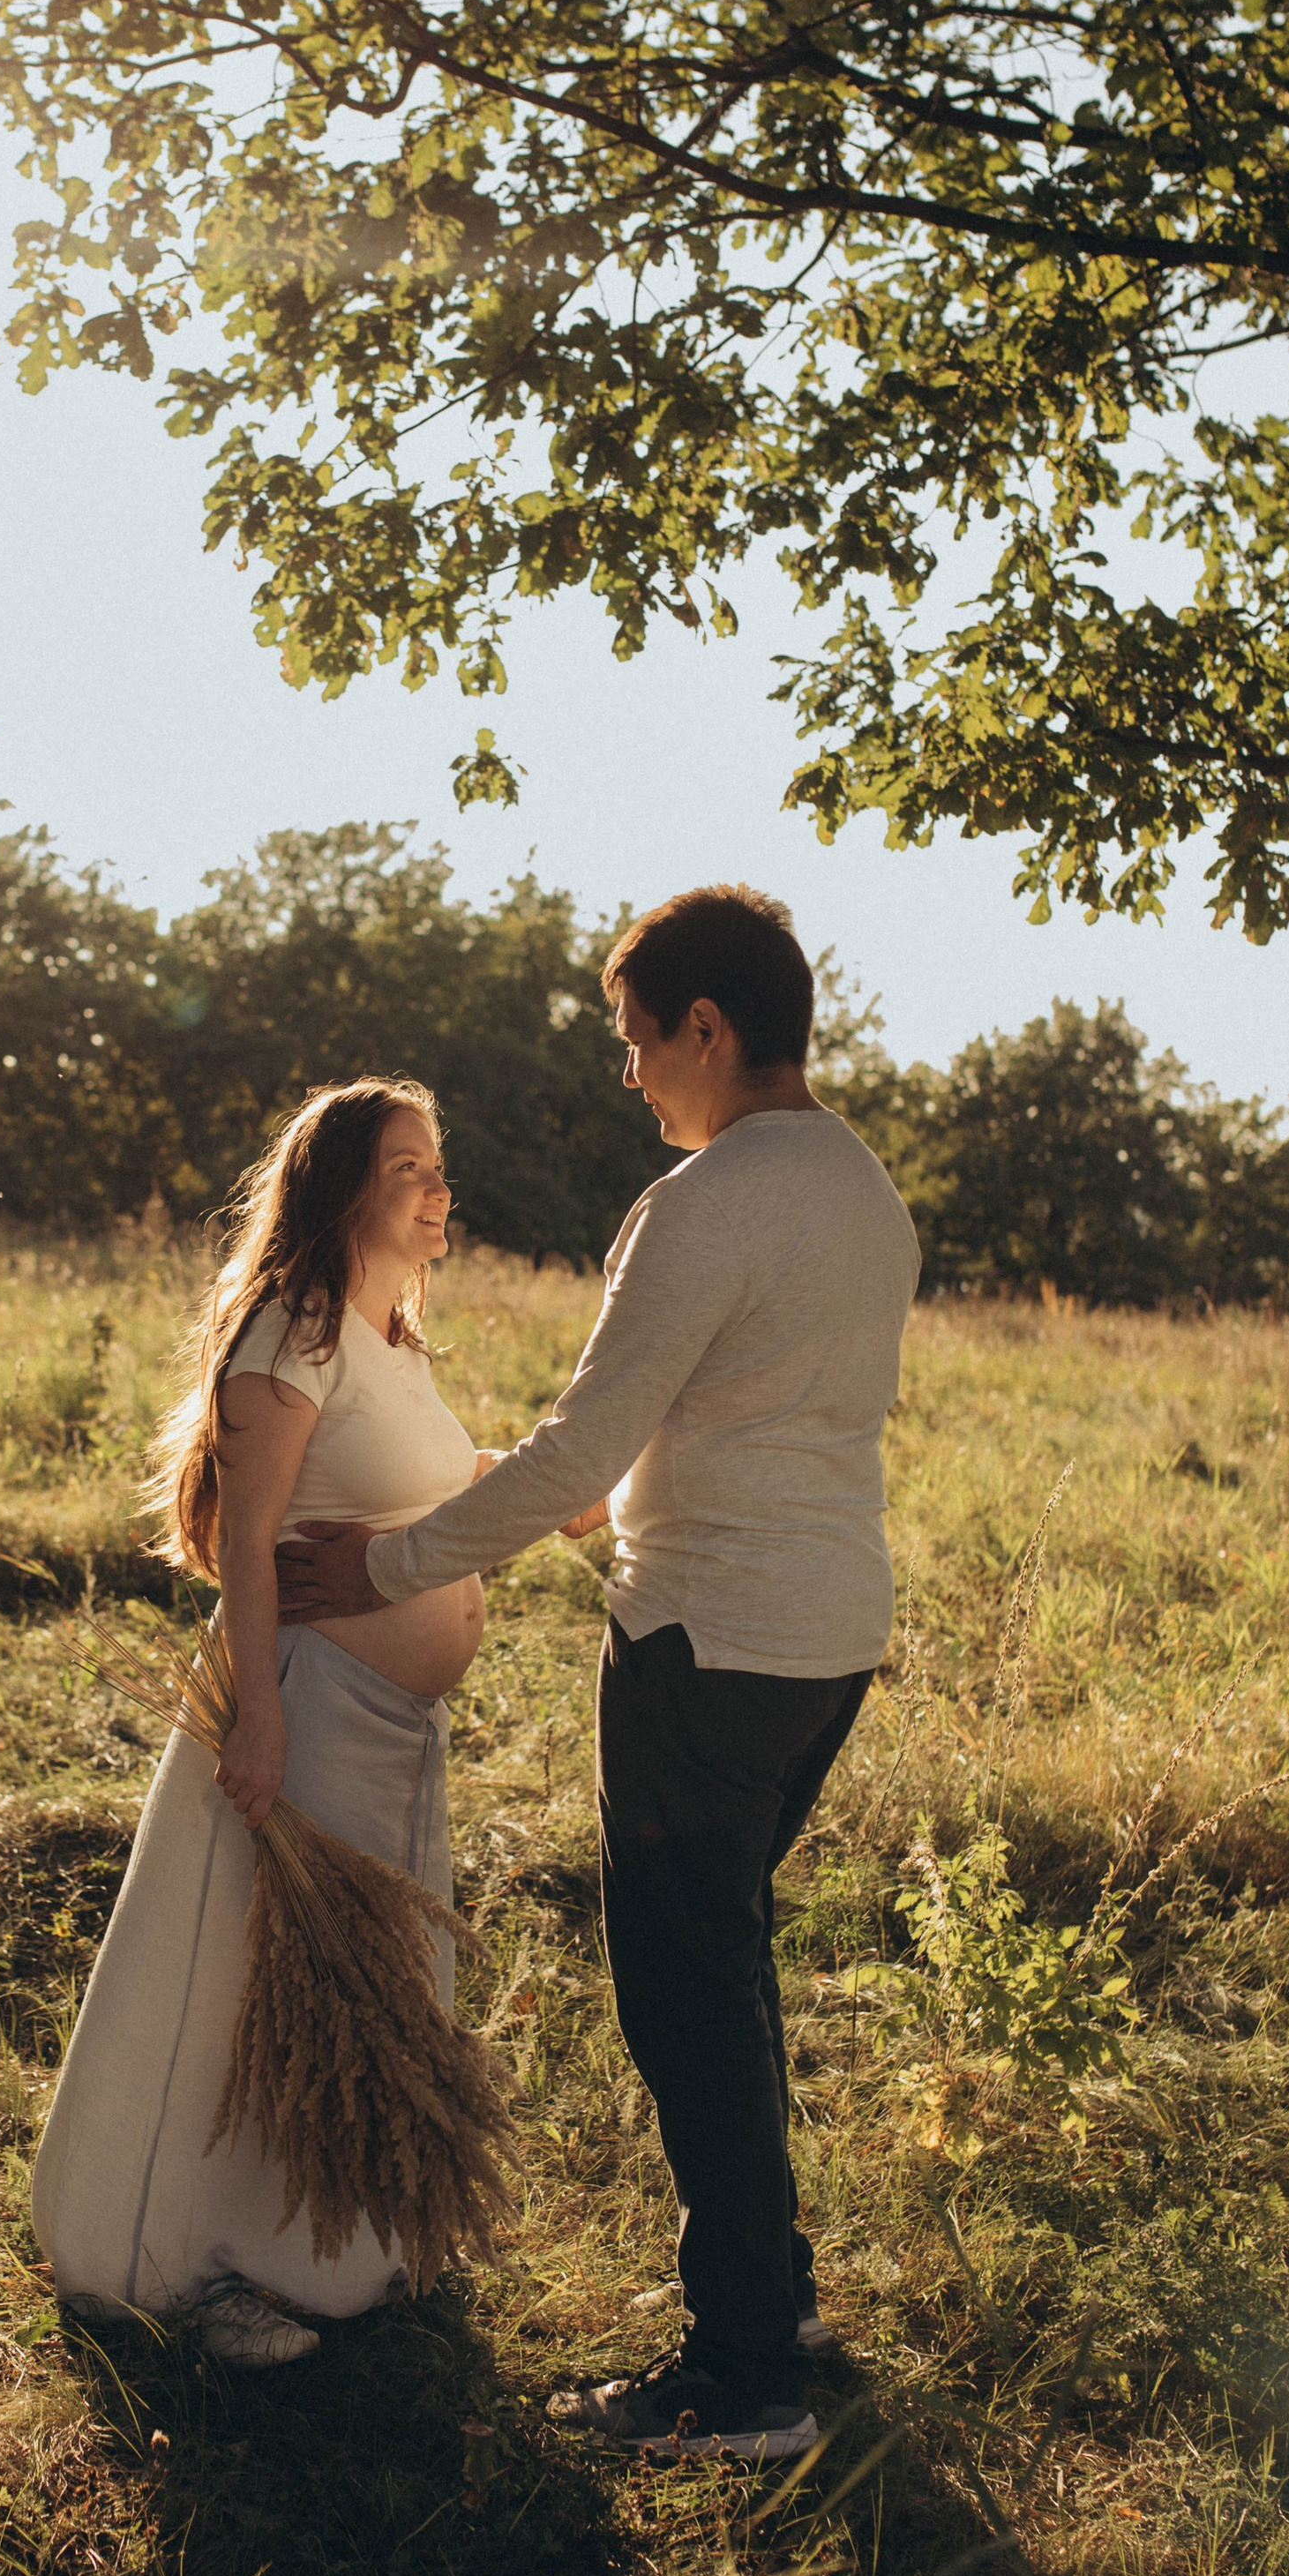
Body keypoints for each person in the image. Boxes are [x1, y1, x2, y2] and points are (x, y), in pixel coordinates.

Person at [278, 887, 918, 2460]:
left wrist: (384, 1562)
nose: (631, 1074)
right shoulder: (865, 1190)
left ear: (709, 1026)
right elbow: (744, 1428)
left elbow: (590, 1436)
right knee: (732, 1964)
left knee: (685, 1996)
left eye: (638, 1038)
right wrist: (590, 1507)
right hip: (827, 1641)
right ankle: (779, 2298)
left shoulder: (703, 1202)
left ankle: (742, 2376)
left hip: (704, 1646)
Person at [30, 1075, 493, 2368]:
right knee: (258, 1989)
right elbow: (245, 1529)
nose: (439, 1186)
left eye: (440, 1164)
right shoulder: (287, 1328)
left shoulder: (386, 1334)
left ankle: (339, 2247)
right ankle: (199, 2268)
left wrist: (568, 1477)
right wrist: (260, 1718)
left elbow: (432, 1488)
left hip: (389, 1725)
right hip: (308, 1705)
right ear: (343, 1183)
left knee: (355, 1991)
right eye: (411, 1164)